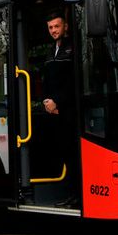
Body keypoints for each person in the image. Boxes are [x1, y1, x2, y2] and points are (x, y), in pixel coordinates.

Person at [41, 11, 79, 208]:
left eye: (56, 26)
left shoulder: (73, 48)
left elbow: (74, 82)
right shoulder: (50, 51)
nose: (54, 30)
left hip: (69, 112)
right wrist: (46, 101)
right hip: (53, 112)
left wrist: (58, 102)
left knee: (73, 155)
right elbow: (46, 81)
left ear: (65, 27)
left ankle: (76, 196)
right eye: (50, 28)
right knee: (63, 153)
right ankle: (69, 195)